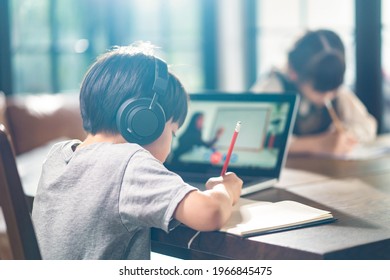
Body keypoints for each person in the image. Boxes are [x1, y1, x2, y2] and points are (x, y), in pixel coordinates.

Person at [32, 43, 242, 260]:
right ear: (146, 122)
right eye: (173, 132)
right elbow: (210, 212)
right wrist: (225, 189)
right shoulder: (128, 163)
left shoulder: (58, 155)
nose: (171, 145)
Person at [251, 29, 377, 156]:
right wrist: (317, 144)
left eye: (333, 90)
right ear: (293, 72)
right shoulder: (275, 87)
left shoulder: (335, 91)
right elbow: (256, 136)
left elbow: (367, 126)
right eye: (319, 90)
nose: (328, 96)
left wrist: (347, 136)